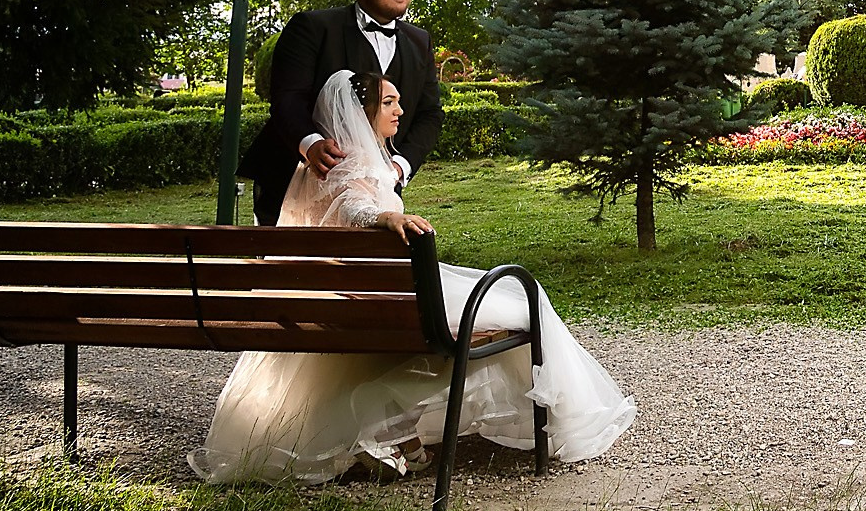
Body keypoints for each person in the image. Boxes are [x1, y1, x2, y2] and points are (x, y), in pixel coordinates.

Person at [191, 70, 635, 485]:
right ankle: (549, 418)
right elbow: (355, 208)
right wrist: (383, 217)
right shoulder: (353, 170)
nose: (399, 111)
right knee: (526, 299)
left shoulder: (312, 169)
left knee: (497, 302)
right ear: (361, 115)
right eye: (388, 103)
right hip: (385, 304)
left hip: (337, 302)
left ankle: (395, 431)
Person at [242, 0, 445, 228]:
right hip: (291, 179)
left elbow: (430, 113)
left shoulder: (419, 41)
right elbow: (288, 98)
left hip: (373, 185)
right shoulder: (312, 27)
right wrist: (311, 145)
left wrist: (399, 166)